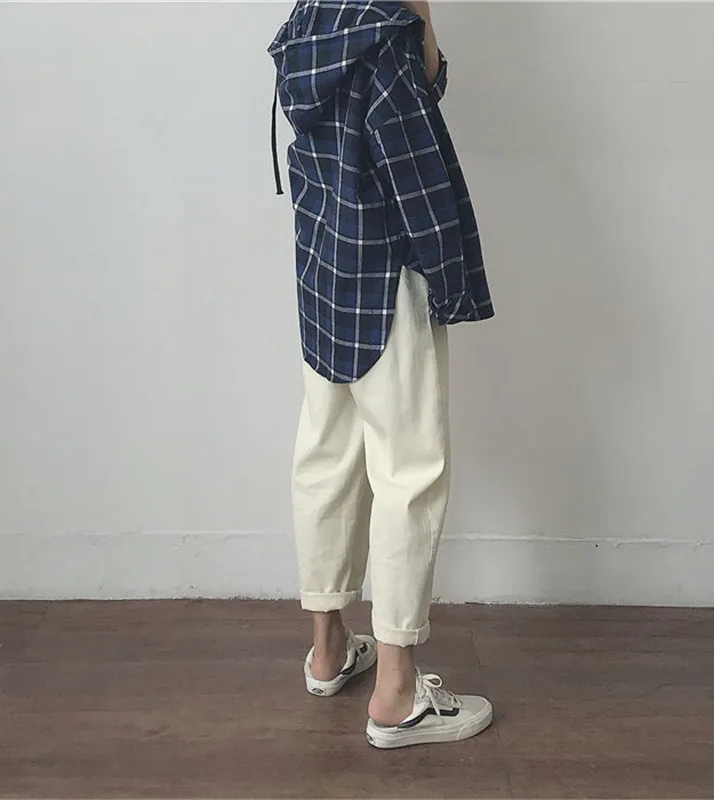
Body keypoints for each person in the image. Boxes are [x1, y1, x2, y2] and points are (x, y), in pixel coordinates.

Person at [268, 0, 495, 749]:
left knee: (326, 454)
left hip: (324, 271)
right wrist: (454, 284)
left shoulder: (306, 25)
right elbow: (420, 178)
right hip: (386, 281)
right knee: (409, 470)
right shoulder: (387, 40)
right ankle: (396, 692)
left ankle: (327, 650)